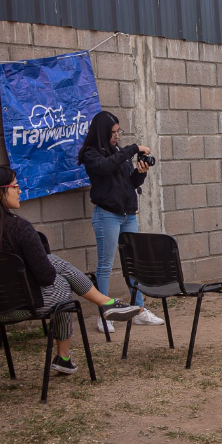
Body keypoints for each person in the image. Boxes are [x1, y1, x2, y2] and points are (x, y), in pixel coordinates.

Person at [0, 167, 141, 374]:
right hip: (19, 307)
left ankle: (105, 304)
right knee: (63, 286)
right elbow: (46, 277)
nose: (20, 191)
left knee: (53, 264)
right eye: (15, 186)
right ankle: (69, 350)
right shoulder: (19, 229)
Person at [78, 111, 164, 331]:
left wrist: (140, 172)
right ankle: (104, 314)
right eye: (113, 132)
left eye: (118, 131)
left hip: (127, 215)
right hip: (107, 215)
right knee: (105, 265)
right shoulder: (92, 154)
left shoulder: (118, 152)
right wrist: (133, 148)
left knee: (133, 264)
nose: (117, 136)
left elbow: (130, 181)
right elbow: (106, 167)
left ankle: (139, 310)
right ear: (102, 133)